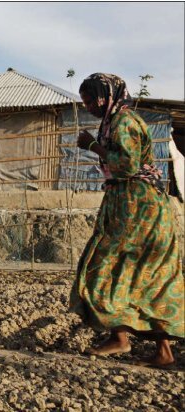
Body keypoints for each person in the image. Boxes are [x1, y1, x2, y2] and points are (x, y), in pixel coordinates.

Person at [70, 73, 184, 367]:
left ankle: (153, 348)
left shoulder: (125, 123)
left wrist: (92, 146)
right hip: (127, 204)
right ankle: (124, 338)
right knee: (133, 271)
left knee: (118, 267)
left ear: (107, 96)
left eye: (91, 100)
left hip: (140, 208)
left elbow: (127, 164)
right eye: (84, 102)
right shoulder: (112, 123)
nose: (88, 106)